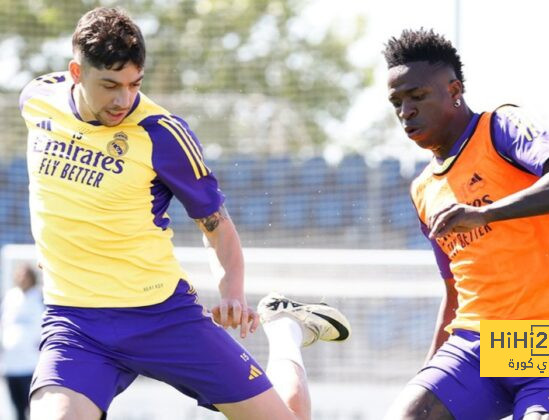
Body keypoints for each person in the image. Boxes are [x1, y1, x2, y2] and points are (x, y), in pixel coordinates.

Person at [19, 7, 350, 420]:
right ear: (75, 72)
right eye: (110, 85)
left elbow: (217, 227)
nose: (123, 99)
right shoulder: (37, 99)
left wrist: (231, 293)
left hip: (162, 317)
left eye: (134, 84)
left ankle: (285, 330)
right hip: (77, 322)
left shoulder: (163, 133)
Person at [382, 28, 549, 420]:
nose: (406, 112)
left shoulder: (501, 127)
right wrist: (427, 373)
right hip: (476, 346)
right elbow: (454, 291)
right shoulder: (423, 190)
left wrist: (485, 212)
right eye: (397, 102)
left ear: (454, 90)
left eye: (417, 97)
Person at [1, 264, 45, 420]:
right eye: (18, 275)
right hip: (11, 364)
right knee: (17, 408)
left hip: (31, 364)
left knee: (34, 407)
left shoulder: (39, 297)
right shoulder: (10, 296)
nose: (21, 278)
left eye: (24, 275)